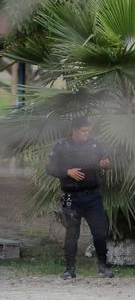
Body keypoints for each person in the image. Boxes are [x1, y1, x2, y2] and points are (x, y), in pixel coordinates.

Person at [47, 116, 113, 279]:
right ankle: (70, 268)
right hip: (71, 197)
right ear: (74, 131)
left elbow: (106, 161)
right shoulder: (62, 146)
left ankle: (103, 266)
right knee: (72, 233)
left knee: (99, 232)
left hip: (93, 196)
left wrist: (106, 164)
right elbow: (49, 167)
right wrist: (67, 172)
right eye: (83, 131)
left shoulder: (95, 144)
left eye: (88, 130)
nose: (86, 133)